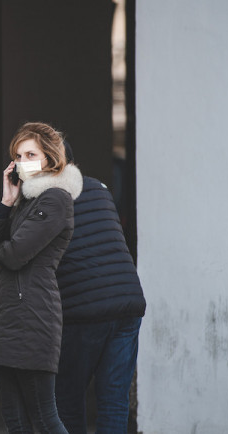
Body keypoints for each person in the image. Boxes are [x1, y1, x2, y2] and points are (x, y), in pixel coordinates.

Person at [0, 122, 82, 433]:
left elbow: (13, 254)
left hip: (33, 317)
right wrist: (6, 202)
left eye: (31, 154)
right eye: (18, 156)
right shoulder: (24, 202)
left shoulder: (55, 199)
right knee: (15, 419)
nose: (23, 161)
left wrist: (2, 248)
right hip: (10, 317)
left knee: (44, 418)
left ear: (50, 158)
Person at [54, 141, 146, 434]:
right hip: (128, 302)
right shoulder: (98, 187)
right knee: (114, 400)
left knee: (67, 397)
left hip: (84, 310)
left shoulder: (45, 199)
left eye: (29, 156)